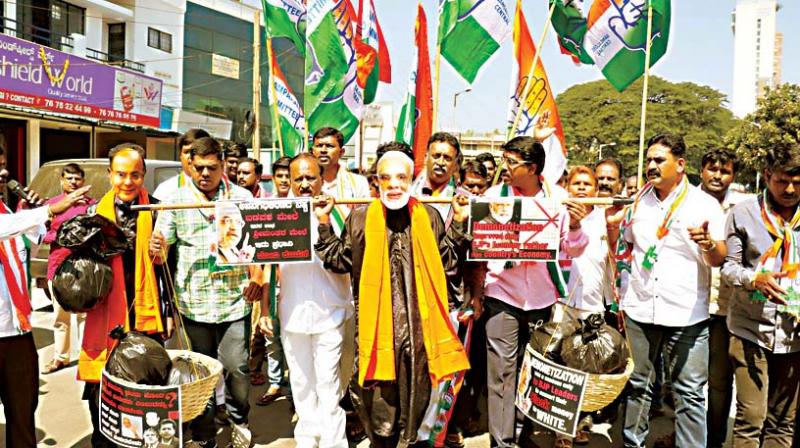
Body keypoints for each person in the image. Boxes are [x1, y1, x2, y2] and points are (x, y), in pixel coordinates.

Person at [314, 149, 471, 448]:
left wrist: (460, 223)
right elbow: (339, 260)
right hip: (375, 336)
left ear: (412, 180)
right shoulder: (360, 218)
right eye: (387, 178)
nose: (395, 185)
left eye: (402, 177)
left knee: (417, 409)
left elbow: (448, 263)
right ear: (377, 181)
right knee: (381, 416)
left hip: (420, 334)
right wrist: (324, 222)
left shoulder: (430, 217)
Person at [607, 134, 728, 448]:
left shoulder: (705, 204)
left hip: (686, 313)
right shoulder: (638, 201)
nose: (651, 166)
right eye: (649, 160)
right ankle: (634, 443)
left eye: (659, 160)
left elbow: (719, 258)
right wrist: (610, 228)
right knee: (638, 387)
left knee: (689, 393)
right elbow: (623, 250)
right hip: (640, 308)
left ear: (681, 164)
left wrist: (708, 243)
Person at [150, 137, 263, 447]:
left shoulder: (242, 198)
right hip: (192, 304)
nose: (204, 174)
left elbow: (259, 247)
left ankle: (240, 421)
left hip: (233, 303)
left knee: (236, 368)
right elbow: (161, 254)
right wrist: (156, 248)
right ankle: (204, 434)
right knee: (199, 374)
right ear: (190, 165)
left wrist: (257, 276)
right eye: (198, 168)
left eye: (211, 168)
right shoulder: (174, 200)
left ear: (223, 165)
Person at [479, 136, 588, 448]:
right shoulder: (493, 196)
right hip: (502, 294)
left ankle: (526, 437)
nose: (506, 168)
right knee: (501, 373)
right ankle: (501, 443)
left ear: (533, 168)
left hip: (542, 299)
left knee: (534, 371)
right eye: (505, 160)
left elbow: (573, 249)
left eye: (512, 163)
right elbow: (480, 244)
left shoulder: (560, 200)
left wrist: (578, 226)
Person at [79, 144, 174, 448]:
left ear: (144, 175)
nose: (128, 181)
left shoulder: (157, 210)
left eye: (135, 174)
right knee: (103, 396)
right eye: (121, 174)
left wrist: (162, 255)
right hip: (106, 317)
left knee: (148, 394)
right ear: (110, 175)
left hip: (146, 314)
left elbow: (167, 269)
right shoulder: (94, 216)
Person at [260, 154, 354, 448]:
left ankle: (333, 442)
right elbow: (266, 263)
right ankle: (307, 439)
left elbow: (348, 257)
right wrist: (264, 309)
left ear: (321, 178)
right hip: (292, 312)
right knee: (300, 383)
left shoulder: (339, 212)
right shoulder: (276, 213)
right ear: (287, 179)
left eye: (309, 178)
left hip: (331, 312)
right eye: (296, 178)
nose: (303, 184)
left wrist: (325, 219)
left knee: (328, 383)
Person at [722, 143, 800, 447]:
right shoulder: (743, 213)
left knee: (783, 423)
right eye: (782, 181)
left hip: (794, 337)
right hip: (750, 331)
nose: (790, 189)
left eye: (797, 181)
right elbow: (729, 269)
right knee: (750, 418)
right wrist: (754, 279)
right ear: (767, 176)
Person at [0, 186, 90, 447]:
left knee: (23, 414)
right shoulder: (7, 220)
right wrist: (47, 210)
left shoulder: (8, 212)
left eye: (3, 166)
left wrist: (40, 216)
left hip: (18, 331)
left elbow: (38, 237)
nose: (3, 174)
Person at [699, 148, 750, 448]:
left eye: (725, 170)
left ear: (733, 175)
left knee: (719, 382)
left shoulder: (742, 208)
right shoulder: (686, 202)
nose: (717, 175)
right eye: (712, 168)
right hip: (687, 304)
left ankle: (713, 440)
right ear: (701, 170)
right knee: (686, 383)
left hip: (725, 307)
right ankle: (686, 436)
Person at [42, 163, 93, 374]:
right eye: (69, 178)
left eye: (77, 179)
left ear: (83, 181)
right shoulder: (52, 206)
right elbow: (41, 234)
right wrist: (60, 236)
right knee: (60, 318)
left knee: (84, 317)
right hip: (57, 268)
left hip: (84, 269)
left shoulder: (92, 205)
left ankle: (86, 359)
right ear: (62, 180)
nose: (73, 182)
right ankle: (60, 358)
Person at [252, 155, 292, 403]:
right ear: (273, 178)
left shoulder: (304, 206)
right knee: (272, 341)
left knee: (295, 344)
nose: (285, 180)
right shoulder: (266, 208)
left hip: (298, 288)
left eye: (289, 175)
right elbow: (264, 257)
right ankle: (275, 384)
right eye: (280, 176)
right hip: (273, 284)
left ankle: (298, 395)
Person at [411, 132, 462, 219]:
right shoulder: (407, 192)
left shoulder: (463, 199)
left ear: (455, 165)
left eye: (447, 158)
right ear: (426, 158)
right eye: (436, 156)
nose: (440, 163)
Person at [153, 128, 211, 201]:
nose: (191, 157)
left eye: (196, 151)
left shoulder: (224, 190)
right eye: (187, 152)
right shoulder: (166, 190)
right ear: (180, 156)